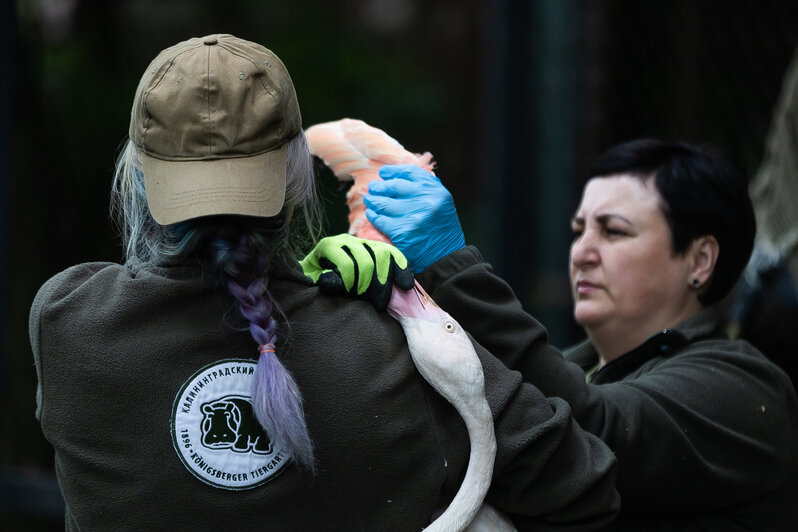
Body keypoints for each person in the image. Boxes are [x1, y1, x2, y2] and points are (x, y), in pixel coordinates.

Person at [28, 34, 622, 530]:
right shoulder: (384, 343)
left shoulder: (67, 321)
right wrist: (405, 302)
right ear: (295, 179)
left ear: (134, 176)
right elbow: (582, 487)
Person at [306, 139, 798, 530]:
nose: (583, 251)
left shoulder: (746, 388)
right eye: (579, 229)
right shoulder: (572, 364)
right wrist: (328, 311)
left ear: (700, 260)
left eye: (614, 231)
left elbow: (586, 438)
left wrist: (450, 270)